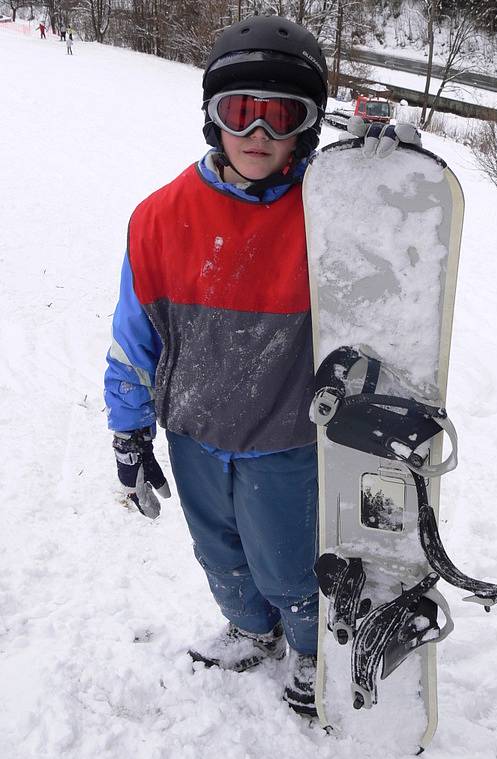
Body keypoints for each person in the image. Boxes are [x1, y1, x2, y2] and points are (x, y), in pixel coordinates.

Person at [104, 15, 420, 717]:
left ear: (306, 128)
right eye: (239, 112)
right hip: (192, 432)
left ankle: (309, 647)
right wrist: (129, 431)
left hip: (286, 439)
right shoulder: (158, 218)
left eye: (280, 117)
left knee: (286, 560)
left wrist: (389, 185)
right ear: (213, 117)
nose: (257, 134)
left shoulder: (332, 217)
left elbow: (395, 272)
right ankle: (252, 630)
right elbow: (134, 336)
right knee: (218, 551)